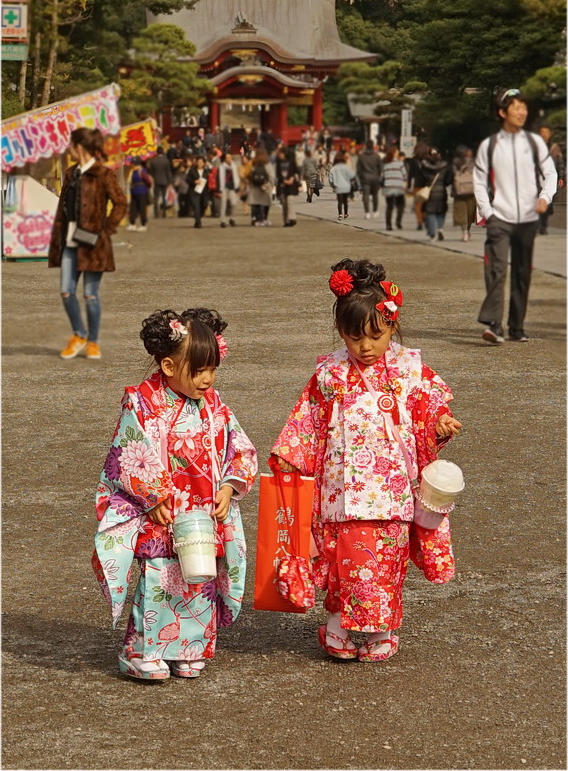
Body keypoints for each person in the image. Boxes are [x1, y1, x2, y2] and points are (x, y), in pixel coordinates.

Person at [270, 258, 462, 662]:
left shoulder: (409, 370)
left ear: (392, 325)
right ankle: (341, 624)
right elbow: (308, 420)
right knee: (344, 561)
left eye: (375, 335)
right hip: (340, 487)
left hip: (391, 489)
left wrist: (439, 422)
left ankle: (380, 630)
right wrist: (291, 455)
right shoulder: (330, 373)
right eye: (354, 336)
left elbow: (428, 409)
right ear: (341, 332)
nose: (365, 346)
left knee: (384, 563)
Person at [93, 307, 257, 680]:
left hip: (202, 510)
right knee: (161, 577)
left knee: (200, 580)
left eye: (212, 370)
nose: (207, 379)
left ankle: (189, 648)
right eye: (198, 371)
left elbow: (239, 447)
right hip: (163, 511)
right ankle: (142, 650)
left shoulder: (214, 405)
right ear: (168, 366)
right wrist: (151, 497)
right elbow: (128, 451)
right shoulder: (142, 402)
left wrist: (230, 486)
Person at [474, 88, 558, 343]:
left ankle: (517, 326)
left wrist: (545, 197)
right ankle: (493, 324)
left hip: (528, 219)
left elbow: (551, 173)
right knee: (497, 269)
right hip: (500, 217)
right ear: (502, 112)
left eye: (524, 107)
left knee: (522, 272)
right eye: (516, 107)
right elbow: (478, 181)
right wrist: (488, 211)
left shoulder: (534, 143)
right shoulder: (489, 146)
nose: (522, 112)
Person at [48, 128, 127, 361]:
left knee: (91, 295)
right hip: (70, 240)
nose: (69, 150)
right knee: (66, 291)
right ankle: (79, 334)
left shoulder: (102, 173)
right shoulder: (71, 173)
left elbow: (120, 203)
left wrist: (106, 229)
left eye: (71, 145)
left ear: (79, 147)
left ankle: (93, 341)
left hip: (93, 244)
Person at [417, 148, 453, 242]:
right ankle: (440, 228)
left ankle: (433, 234)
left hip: (429, 192)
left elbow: (421, 179)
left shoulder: (424, 167)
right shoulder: (445, 166)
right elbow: (448, 180)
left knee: (430, 212)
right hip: (441, 192)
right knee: (441, 211)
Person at [536, 123, 565, 235]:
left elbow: (560, 163)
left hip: (551, 177)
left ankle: (543, 225)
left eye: (546, 133)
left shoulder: (554, 148)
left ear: (549, 134)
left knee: (548, 203)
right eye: (542, 133)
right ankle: (537, 224)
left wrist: (561, 177)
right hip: (537, 178)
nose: (544, 135)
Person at [452, 146, 476, 242]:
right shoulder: (473, 162)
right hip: (471, 190)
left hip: (460, 191)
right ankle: (466, 231)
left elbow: (453, 176)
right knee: (468, 213)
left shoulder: (455, 163)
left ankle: (465, 231)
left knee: (463, 213)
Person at [356, 140, 383, 220]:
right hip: (375, 177)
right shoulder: (376, 156)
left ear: (366, 146)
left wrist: (361, 176)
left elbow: (358, 169)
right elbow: (381, 168)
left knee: (365, 195)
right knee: (375, 195)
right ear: (373, 146)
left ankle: (367, 213)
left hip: (365, 178)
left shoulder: (362, 156)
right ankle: (375, 211)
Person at [248, 148, 275, 226]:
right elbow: (272, 177)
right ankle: (264, 219)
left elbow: (250, 175)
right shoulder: (267, 164)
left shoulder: (254, 163)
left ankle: (256, 219)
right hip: (265, 187)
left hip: (255, 186)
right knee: (265, 203)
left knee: (256, 203)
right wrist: (270, 185)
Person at [382, 146, 406, 231]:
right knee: (401, 205)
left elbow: (383, 175)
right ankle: (398, 222)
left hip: (388, 187)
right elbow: (405, 175)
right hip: (398, 187)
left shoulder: (385, 165)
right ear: (394, 154)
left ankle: (388, 225)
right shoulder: (400, 163)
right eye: (397, 152)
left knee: (389, 206)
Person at [275, 146, 300, 227]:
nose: (279, 155)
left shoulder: (291, 161)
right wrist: (284, 181)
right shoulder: (278, 162)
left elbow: (296, 172)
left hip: (291, 185)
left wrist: (292, 179)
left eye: (281, 153)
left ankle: (292, 218)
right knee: (284, 204)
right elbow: (277, 174)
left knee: (290, 200)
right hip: (282, 185)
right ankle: (286, 220)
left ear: (285, 154)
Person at [126, 159, 152, 232]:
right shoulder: (133, 171)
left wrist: (145, 187)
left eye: (132, 164)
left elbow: (148, 181)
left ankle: (143, 224)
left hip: (142, 191)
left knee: (142, 208)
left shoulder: (142, 171)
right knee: (133, 208)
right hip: (134, 191)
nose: (131, 165)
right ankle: (132, 224)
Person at [328, 151, 356, 221]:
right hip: (346, 187)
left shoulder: (333, 168)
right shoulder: (346, 167)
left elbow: (330, 179)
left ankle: (340, 214)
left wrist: (333, 186)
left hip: (338, 187)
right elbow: (352, 176)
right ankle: (346, 214)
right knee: (345, 201)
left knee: (340, 202)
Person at [147, 146, 173, 219]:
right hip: (165, 180)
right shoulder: (166, 160)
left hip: (156, 180)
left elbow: (151, 171)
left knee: (156, 197)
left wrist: (154, 177)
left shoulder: (153, 160)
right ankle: (164, 212)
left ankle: (156, 213)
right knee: (164, 196)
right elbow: (168, 172)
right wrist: (170, 181)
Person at [218, 152, 240, 228]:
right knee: (223, 204)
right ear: (224, 159)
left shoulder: (234, 166)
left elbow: (236, 176)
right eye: (227, 158)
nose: (229, 159)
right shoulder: (221, 167)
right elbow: (219, 178)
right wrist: (219, 190)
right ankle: (222, 220)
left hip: (232, 187)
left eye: (230, 157)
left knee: (234, 203)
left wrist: (237, 186)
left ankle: (231, 218)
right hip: (224, 187)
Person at [186, 156, 208, 228]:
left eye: (201, 162)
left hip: (204, 191)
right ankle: (198, 222)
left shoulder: (206, 171)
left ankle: (199, 216)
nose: (200, 163)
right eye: (198, 162)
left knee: (204, 204)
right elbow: (187, 179)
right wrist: (194, 182)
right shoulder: (192, 170)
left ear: (204, 163)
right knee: (196, 206)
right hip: (194, 191)